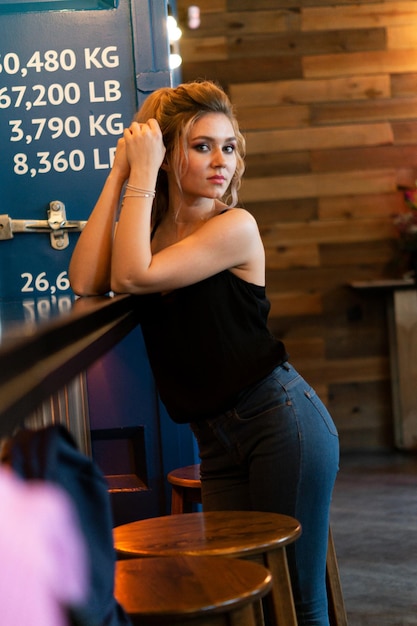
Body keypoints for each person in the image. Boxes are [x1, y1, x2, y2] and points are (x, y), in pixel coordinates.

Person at [69, 80, 340, 626]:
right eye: (201, 146)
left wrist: (143, 177)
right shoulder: (150, 231)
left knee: (295, 595)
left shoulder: (234, 226)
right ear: (169, 154)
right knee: (242, 590)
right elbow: (86, 280)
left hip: (278, 421)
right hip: (215, 440)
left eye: (229, 146)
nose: (222, 161)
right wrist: (120, 172)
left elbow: (130, 275)